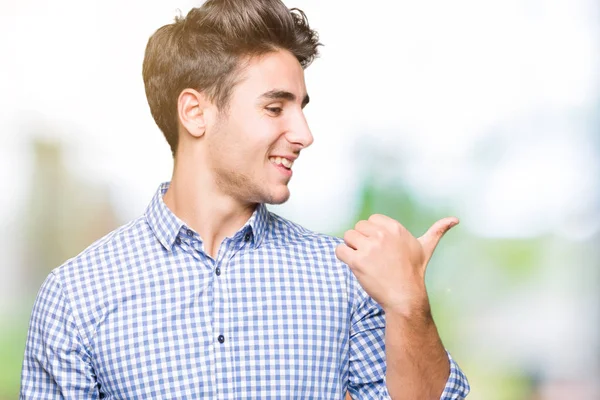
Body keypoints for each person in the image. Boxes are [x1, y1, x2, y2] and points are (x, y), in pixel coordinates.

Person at [20, 0, 470, 398]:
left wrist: (409, 304)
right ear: (196, 113)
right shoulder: (77, 297)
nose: (304, 134)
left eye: (301, 108)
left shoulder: (343, 276)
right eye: (275, 108)